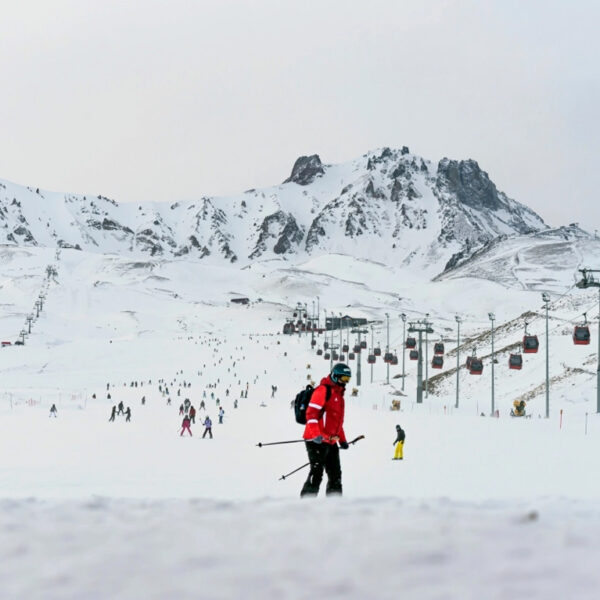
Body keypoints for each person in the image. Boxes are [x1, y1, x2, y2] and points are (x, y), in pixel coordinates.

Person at [300, 363, 350, 498]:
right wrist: (316, 435)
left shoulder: (339, 396)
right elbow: (311, 414)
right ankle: (305, 505)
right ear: (335, 376)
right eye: (343, 379)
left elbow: (337, 422)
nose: (346, 382)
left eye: (348, 379)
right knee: (317, 473)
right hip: (315, 439)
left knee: (335, 474)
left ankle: (334, 506)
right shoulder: (323, 391)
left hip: (331, 441)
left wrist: (343, 440)